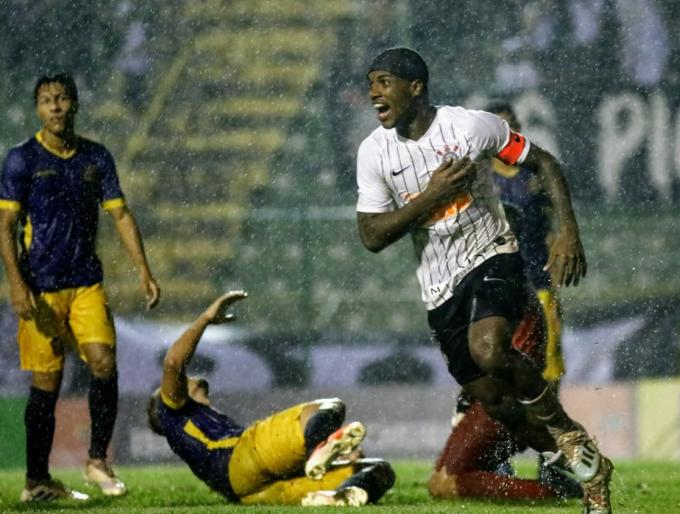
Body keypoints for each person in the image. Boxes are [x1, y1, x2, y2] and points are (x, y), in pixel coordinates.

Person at [356, 47, 612, 513]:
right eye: (371, 82)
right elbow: (372, 235)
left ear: (416, 88)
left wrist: (569, 233)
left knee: (489, 348)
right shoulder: (373, 152)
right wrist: (432, 195)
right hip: (439, 287)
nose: (374, 91)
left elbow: (546, 164)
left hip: (493, 254)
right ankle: (579, 461)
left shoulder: (471, 127)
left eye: (384, 81)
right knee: (496, 403)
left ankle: (569, 433)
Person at [0, 73, 160, 502]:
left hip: (86, 282)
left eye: (62, 99)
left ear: (75, 105)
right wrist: (16, 283)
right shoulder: (22, 160)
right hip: (41, 287)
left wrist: (143, 269)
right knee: (46, 382)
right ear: (38, 109)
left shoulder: (95, 157)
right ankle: (37, 481)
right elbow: (6, 225)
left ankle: (96, 460)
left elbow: (121, 215)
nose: (54, 107)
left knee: (103, 362)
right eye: (46, 100)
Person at [146, 291, 396, 506]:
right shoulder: (172, 412)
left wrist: (339, 460)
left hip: (250, 492)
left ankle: (335, 496)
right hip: (241, 458)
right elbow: (173, 362)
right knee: (328, 408)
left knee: (378, 469)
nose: (186, 379)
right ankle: (318, 450)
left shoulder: (199, 427)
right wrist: (206, 319)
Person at [429, 291, 582, 501]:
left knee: (447, 481)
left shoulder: (497, 281)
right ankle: (563, 480)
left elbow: (509, 361)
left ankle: (560, 489)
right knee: (442, 482)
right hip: (498, 399)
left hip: (505, 402)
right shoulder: (486, 279)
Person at [487, 99, 565, 384]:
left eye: (511, 126)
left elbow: (554, 227)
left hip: (536, 278)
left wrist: (556, 260)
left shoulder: (536, 175)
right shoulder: (477, 179)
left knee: (546, 362)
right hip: (495, 285)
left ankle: (551, 425)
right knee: (500, 364)